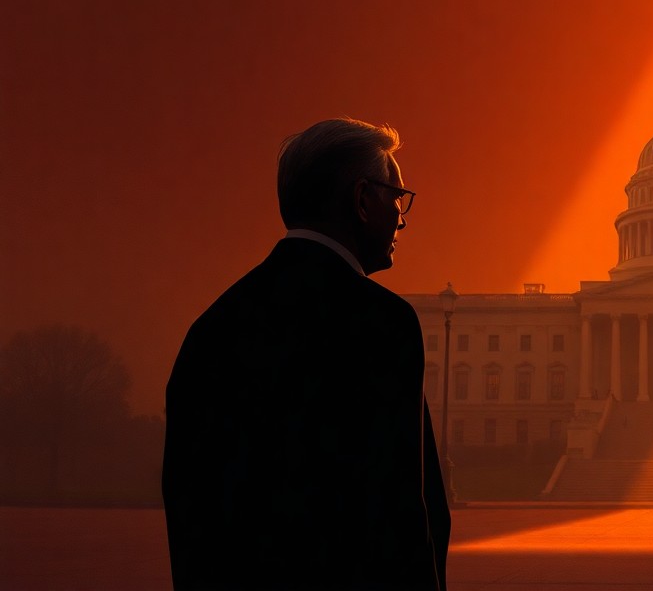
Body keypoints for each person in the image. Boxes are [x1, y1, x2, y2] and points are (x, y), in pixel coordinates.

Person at [162, 118, 451, 590]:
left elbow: (190, 511)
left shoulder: (211, 329)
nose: (401, 217)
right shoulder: (381, 323)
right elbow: (402, 511)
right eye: (396, 198)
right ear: (362, 199)